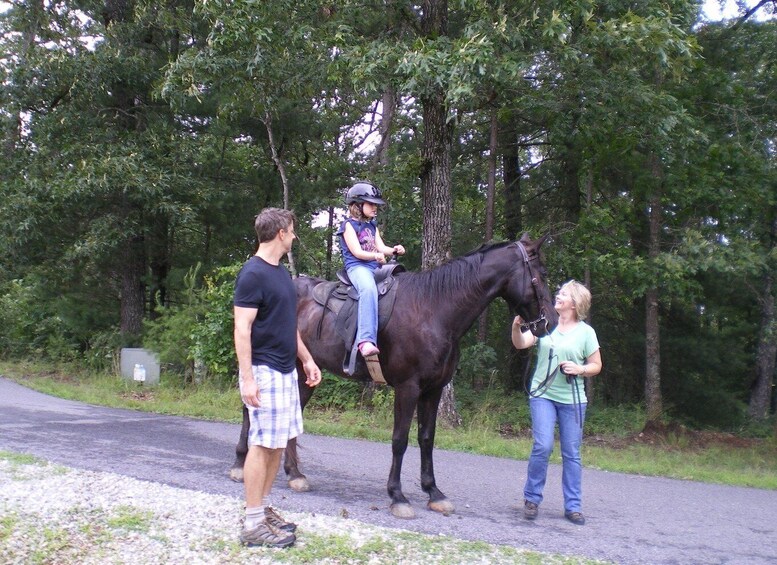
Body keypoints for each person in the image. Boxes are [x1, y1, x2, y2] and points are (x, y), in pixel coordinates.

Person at [233, 207, 322, 548]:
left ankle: (263, 509)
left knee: (276, 444)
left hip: (286, 369)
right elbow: (242, 329)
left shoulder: (281, 273)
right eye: (293, 230)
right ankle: (253, 522)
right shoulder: (253, 274)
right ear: (281, 233)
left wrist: (308, 359)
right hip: (265, 371)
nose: (295, 235)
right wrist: (247, 378)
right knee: (262, 444)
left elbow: (288, 325)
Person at [511, 279, 602, 526]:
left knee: (572, 454)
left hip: (573, 401)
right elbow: (521, 344)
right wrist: (516, 327)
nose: (557, 296)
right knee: (543, 445)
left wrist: (580, 368)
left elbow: (596, 366)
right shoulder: (545, 324)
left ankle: (573, 507)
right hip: (542, 396)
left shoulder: (586, 333)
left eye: (563, 294)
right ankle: (532, 499)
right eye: (559, 293)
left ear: (574, 303)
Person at [337, 181, 405, 358]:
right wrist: (375, 256)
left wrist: (394, 249)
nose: (375, 208)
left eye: (376, 204)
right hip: (357, 267)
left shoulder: (372, 226)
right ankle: (365, 341)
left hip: (375, 267)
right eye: (371, 204)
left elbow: (381, 247)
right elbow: (357, 252)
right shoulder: (348, 226)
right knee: (368, 289)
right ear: (358, 205)